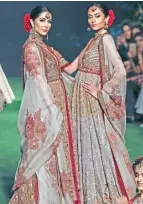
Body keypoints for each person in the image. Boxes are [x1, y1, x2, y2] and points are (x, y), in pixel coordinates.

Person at [63, 3, 136, 204]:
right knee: (84, 140)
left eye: (97, 15)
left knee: (96, 141)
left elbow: (120, 71)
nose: (93, 19)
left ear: (106, 19)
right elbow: (70, 69)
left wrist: (101, 92)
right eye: (90, 16)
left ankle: (101, 190)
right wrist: (47, 58)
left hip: (92, 100)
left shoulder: (106, 40)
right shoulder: (91, 43)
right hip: (79, 100)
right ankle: (86, 189)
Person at [9, 6, 80, 204]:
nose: (46, 25)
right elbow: (38, 80)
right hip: (47, 106)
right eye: (42, 20)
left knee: (59, 151)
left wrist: (92, 52)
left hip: (60, 103)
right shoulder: (31, 47)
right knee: (45, 150)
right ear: (31, 22)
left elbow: (69, 68)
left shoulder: (46, 49)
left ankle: (59, 195)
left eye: (49, 21)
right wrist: (51, 108)